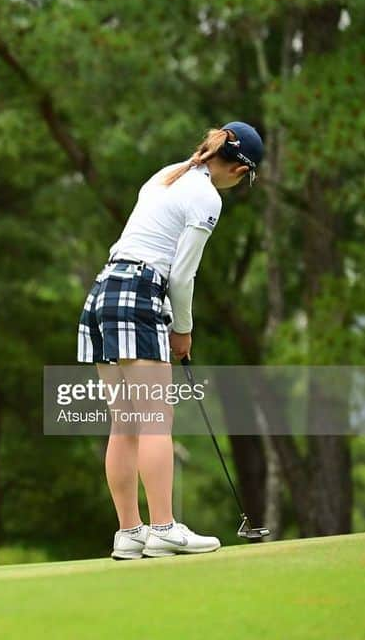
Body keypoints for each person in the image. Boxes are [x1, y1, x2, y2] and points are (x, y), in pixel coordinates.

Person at [76, 122, 263, 559]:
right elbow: (181, 275)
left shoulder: (168, 172)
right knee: (156, 418)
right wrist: (183, 328)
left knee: (125, 424)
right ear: (239, 172)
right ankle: (163, 526)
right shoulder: (207, 197)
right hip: (140, 292)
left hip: (104, 290)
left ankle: (130, 532)